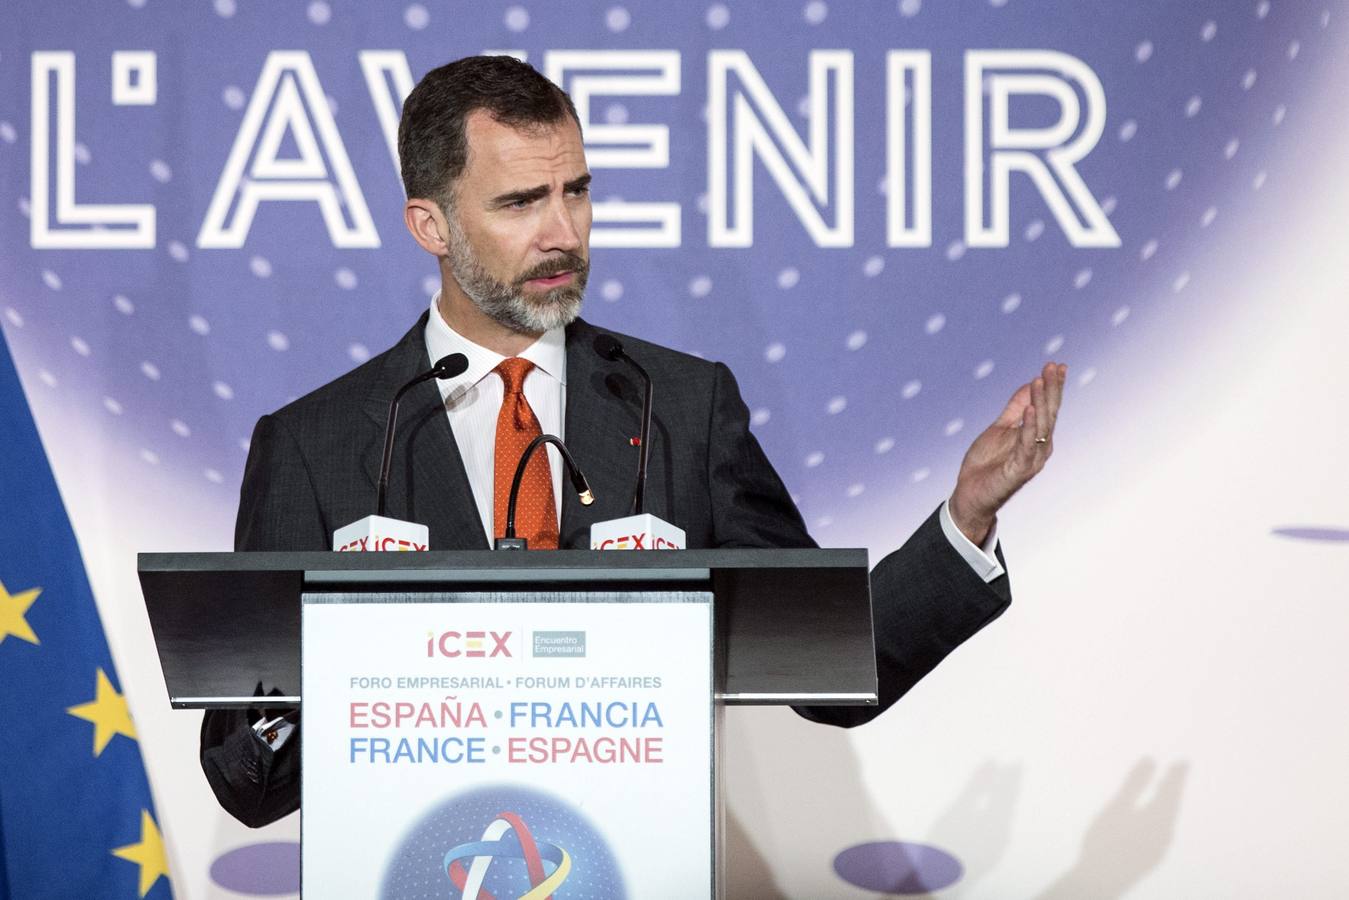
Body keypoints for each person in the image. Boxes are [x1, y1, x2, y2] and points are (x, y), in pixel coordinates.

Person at [200, 55, 1066, 828]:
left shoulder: (681, 408)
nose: (562, 233)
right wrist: (356, 667)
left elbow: (828, 671)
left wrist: (965, 519)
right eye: (520, 202)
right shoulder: (316, 444)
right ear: (431, 227)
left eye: (574, 191)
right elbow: (248, 779)